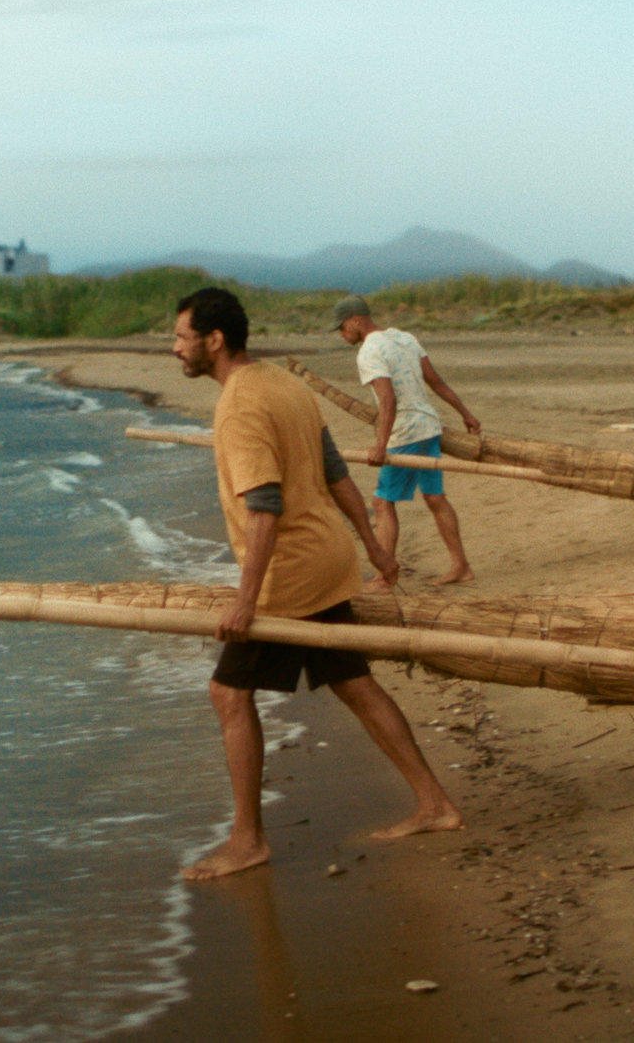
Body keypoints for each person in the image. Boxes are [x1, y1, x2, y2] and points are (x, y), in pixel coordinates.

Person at [170, 287, 462, 881]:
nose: (175, 348)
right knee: (350, 680)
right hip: (329, 557)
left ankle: (248, 839)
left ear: (214, 340)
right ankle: (435, 804)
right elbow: (334, 472)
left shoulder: (240, 406)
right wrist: (374, 547)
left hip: (290, 571)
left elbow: (265, 506)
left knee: (228, 694)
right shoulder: (281, 382)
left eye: (181, 337)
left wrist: (246, 601)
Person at [331, 295, 481, 585]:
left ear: (356, 321)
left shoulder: (369, 352)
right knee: (435, 498)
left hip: (406, 433)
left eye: (342, 327)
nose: (341, 333)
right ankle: (461, 566)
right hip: (428, 426)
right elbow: (436, 381)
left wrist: (381, 445)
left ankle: (385, 577)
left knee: (382, 502)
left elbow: (388, 400)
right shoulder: (404, 338)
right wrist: (466, 414)